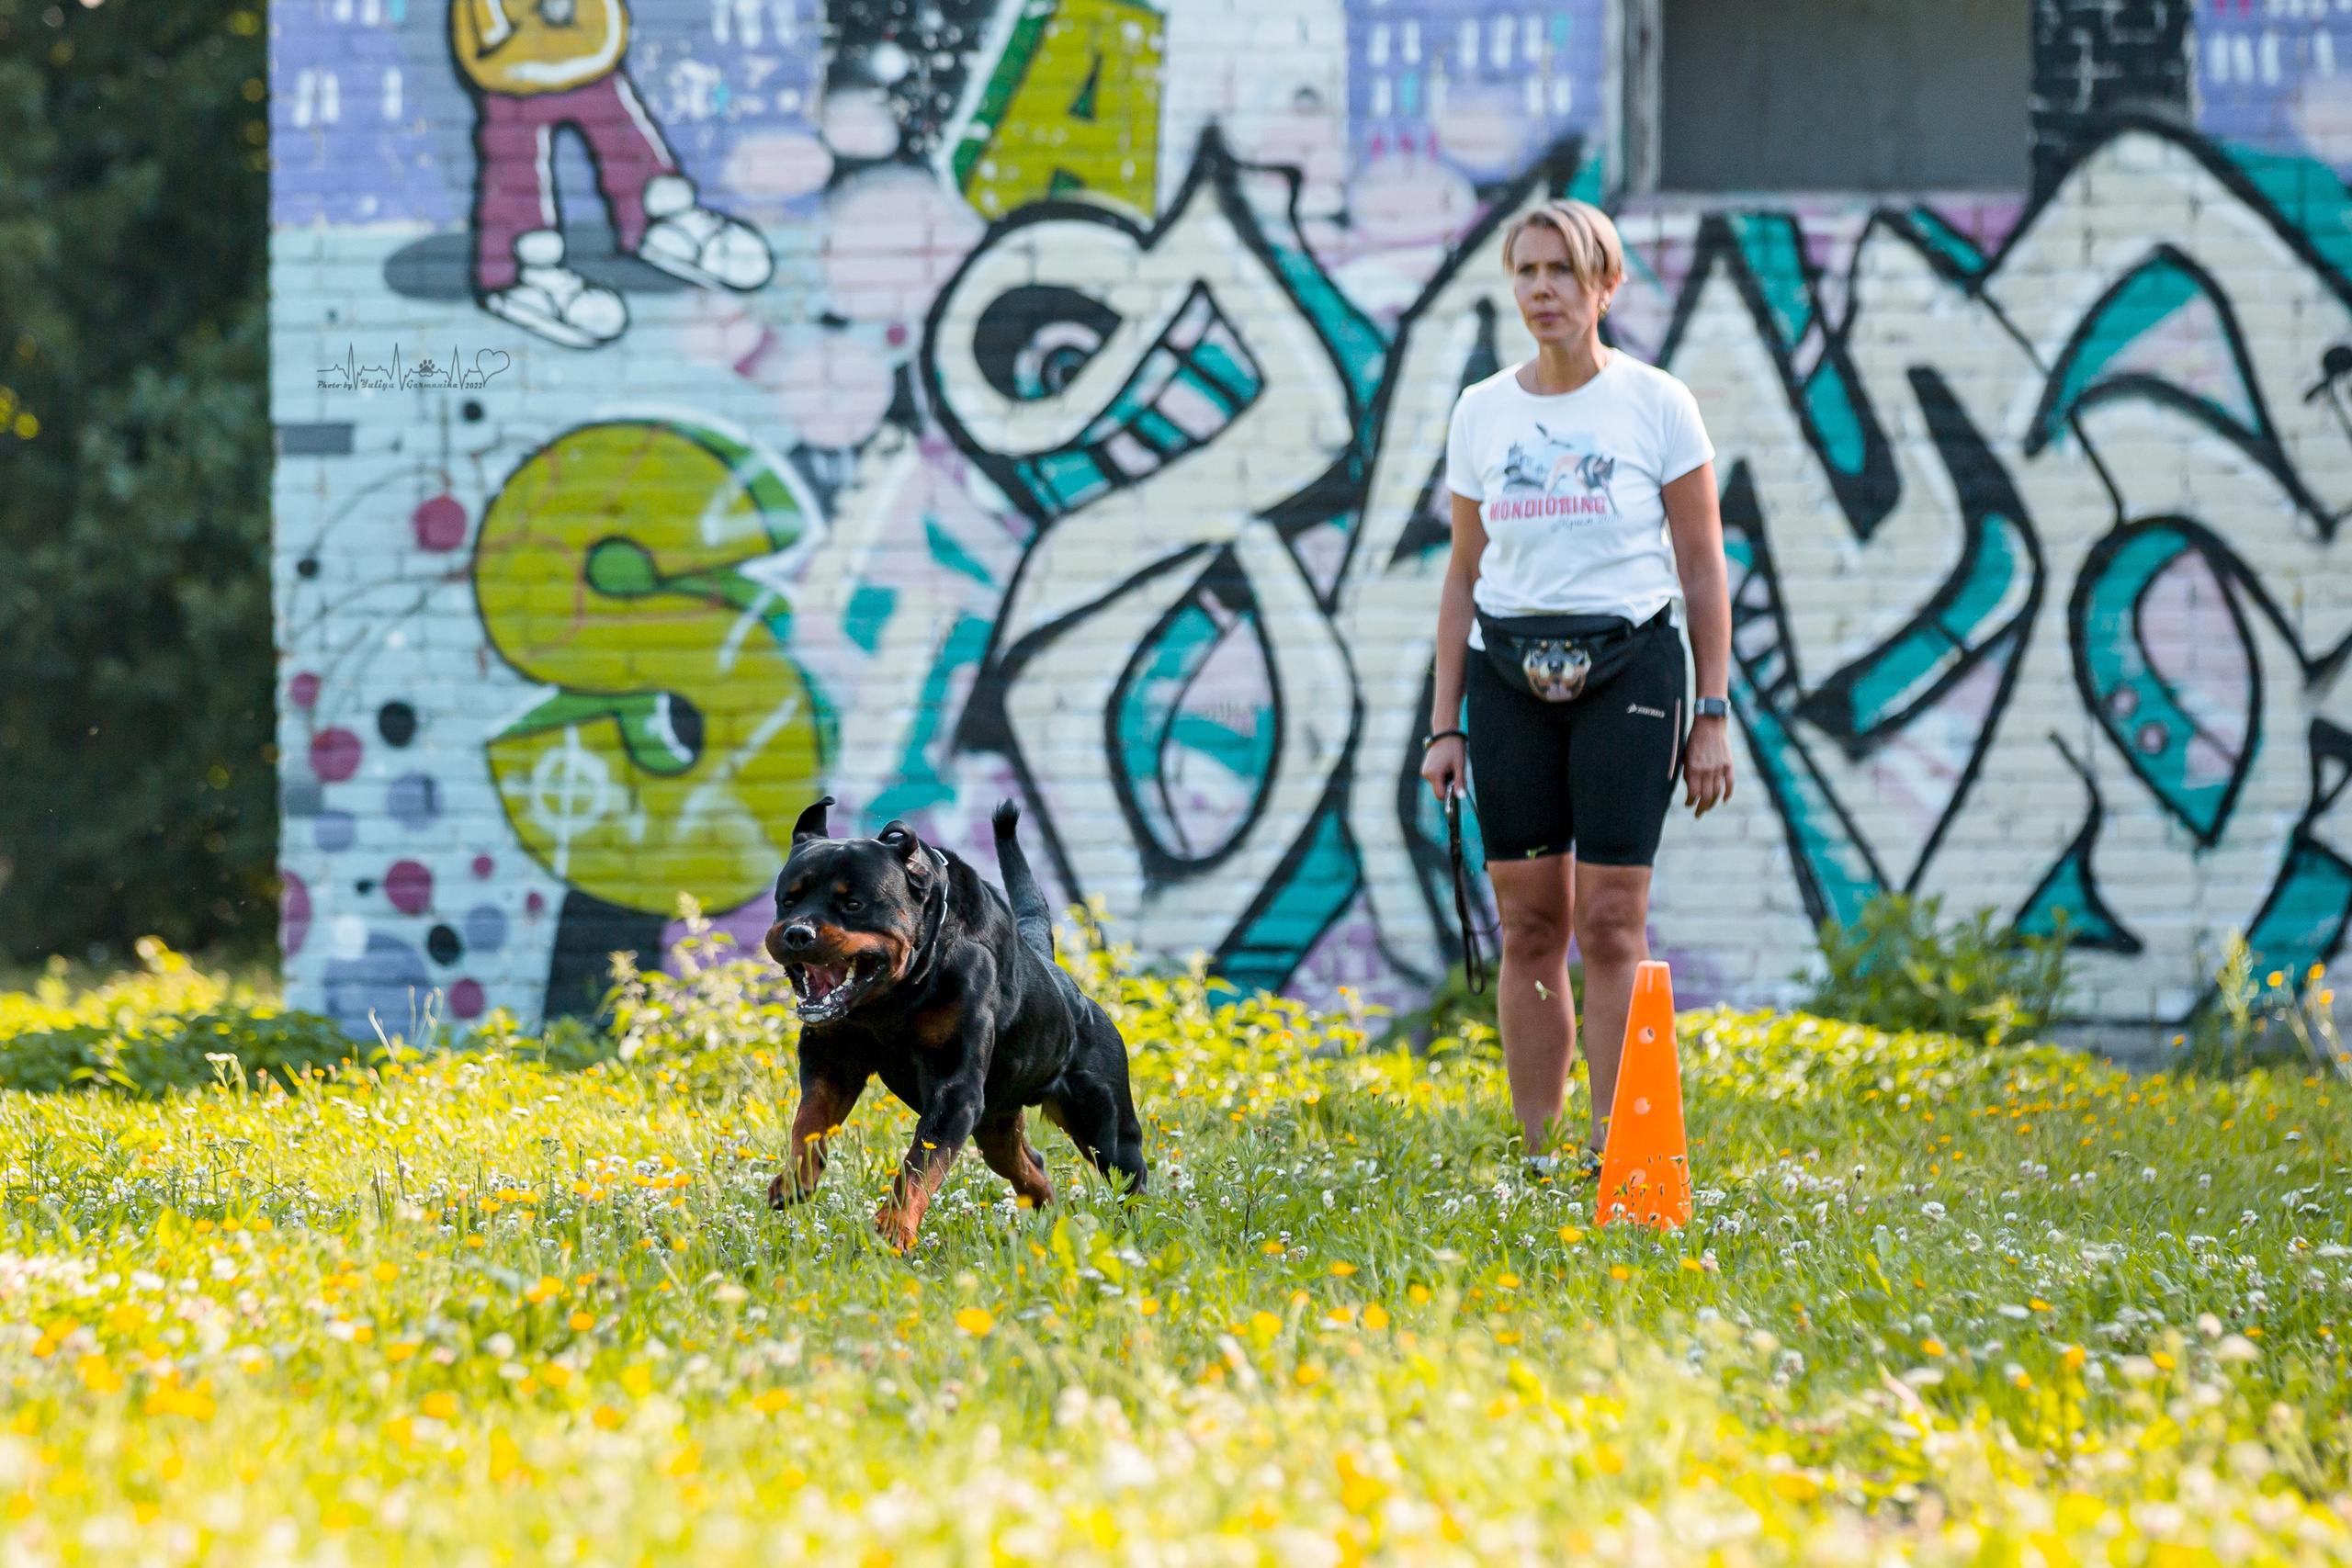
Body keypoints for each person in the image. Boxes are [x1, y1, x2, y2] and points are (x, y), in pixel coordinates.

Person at [1418, 198, 1735, 1178]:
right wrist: (1445, 726)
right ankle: (1538, 1152)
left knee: (1607, 921)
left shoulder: (1656, 403)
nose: (1541, 289)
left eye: (1562, 270)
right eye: (1525, 271)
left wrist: (1712, 712)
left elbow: (1701, 567)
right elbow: (1462, 574)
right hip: (1508, 675)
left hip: (1630, 672)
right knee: (1527, 925)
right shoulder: (1482, 410)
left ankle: (1619, 1146)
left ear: (1605, 286)